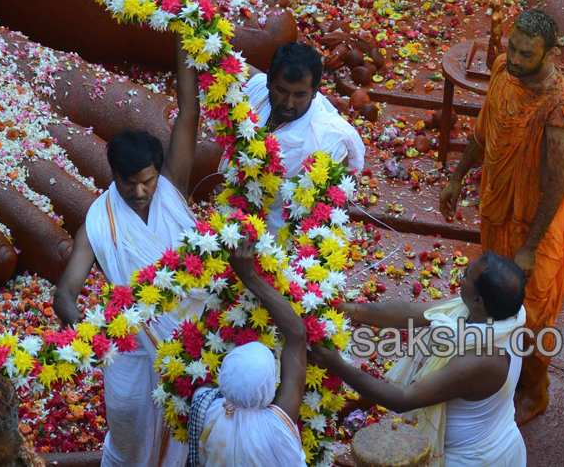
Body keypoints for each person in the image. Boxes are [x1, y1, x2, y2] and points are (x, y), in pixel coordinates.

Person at [54, 36, 201, 467]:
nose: (139, 192)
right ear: (112, 174)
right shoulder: (99, 222)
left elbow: (189, 110)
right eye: (127, 182)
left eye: (147, 180)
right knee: (129, 445)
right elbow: (65, 293)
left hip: (195, 343)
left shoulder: (174, 186)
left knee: (193, 441)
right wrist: (94, 336)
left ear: (159, 172)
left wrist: (185, 35)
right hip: (131, 355)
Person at [438, 8, 564, 424]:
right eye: (513, 49)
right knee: (499, 302)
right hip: (498, 207)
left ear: (549, 54)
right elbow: (484, 134)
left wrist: (529, 247)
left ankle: (535, 389)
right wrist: (457, 177)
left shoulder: (560, 109)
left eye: (527, 54)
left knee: (534, 316)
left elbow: (555, 185)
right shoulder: (504, 72)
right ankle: (502, 374)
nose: (516, 59)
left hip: (535, 226)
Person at [310, 252, 529, 467]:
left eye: (465, 276)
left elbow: (402, 399)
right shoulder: (499, 313)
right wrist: (350, 310)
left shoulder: (481, 360)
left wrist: (335, 363)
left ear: (478, 300)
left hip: (474, 459)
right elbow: (413, 313)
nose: (460, 278)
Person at [186, 239, 307, 467]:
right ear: (273, 384)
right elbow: (296, 335)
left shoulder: (204, 403)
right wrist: (249, 276)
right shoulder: (276, 424)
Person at [229, 42, 365, 235]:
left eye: (300, 95)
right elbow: (225, 59)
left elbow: (333, 213)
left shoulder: (329, 138)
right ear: (269, 81)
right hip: (235, 212)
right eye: (281, 91)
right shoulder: (259, 88)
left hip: (280, 240)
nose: (288, 103)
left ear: (315, 90)